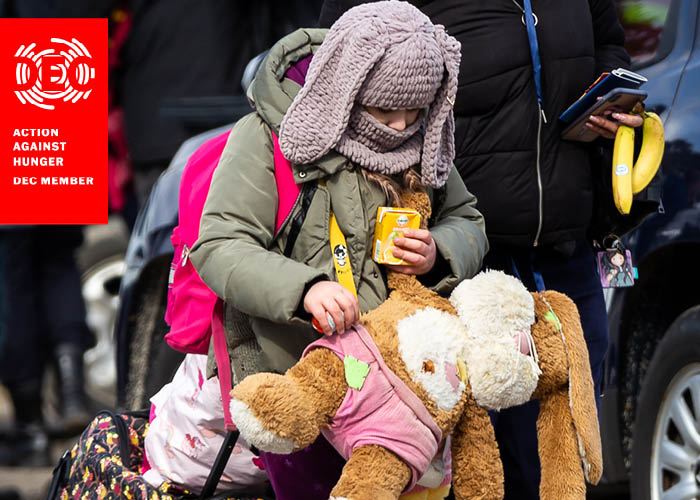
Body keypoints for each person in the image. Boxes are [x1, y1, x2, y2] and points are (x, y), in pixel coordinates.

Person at [318, 1, 643, 499]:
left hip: (566, 245)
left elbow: (608, 43)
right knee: (485, 461)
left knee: (570, 445)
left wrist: (612, 105)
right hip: (460, 263)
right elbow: (334, 67)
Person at [189, 2, 488, 498]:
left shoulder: (423, 135)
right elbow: (220, 244)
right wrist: (303, 290)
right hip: (301, 376)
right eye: (385, 111)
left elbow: (468, 218)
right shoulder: (268, 138)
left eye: (414, 113)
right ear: (346, 91)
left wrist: (440, 251)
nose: (399, 127)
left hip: (407, 384)